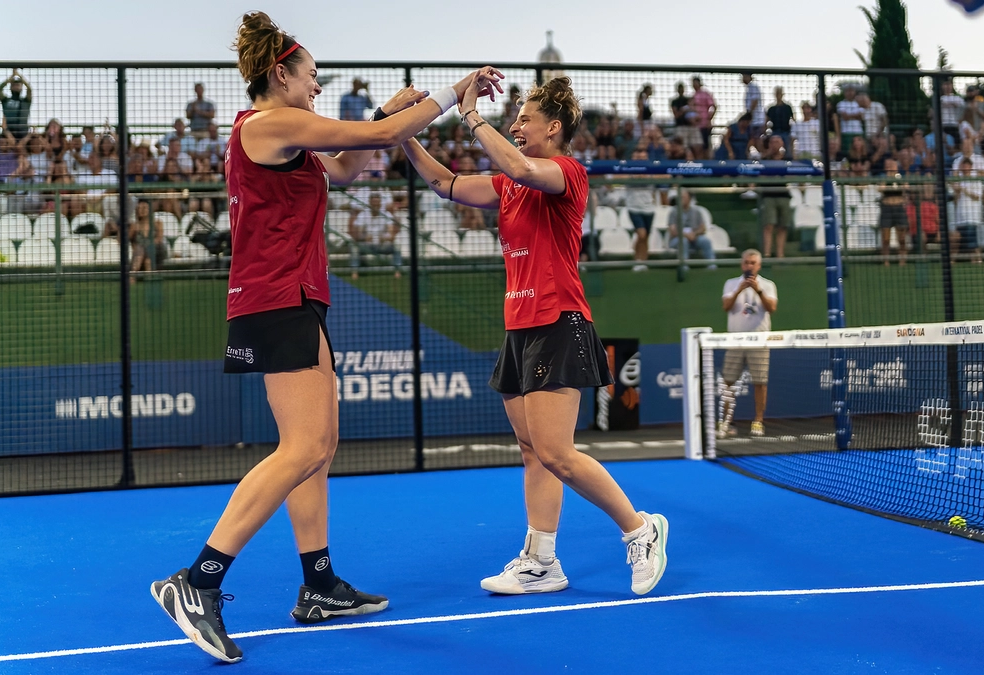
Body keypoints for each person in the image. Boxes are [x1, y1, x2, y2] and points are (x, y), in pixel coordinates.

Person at [149, 12, 501, 664]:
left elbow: (348, 164)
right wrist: (454, 93)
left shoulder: (292, 139)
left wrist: (399, 104)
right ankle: (195, 581)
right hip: (275, 300)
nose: (316, 88)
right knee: (304, 443)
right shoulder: (270, 123)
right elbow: (385, 134)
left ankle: (318, 585)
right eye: (311, 77)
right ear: (279, 73)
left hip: (297, 299)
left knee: (318, 445)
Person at [401, 75, 669, 598]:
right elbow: (444, 184)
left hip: (559, 320)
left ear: (555, 127)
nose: (516, 125)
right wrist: (399, 134)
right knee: (532, 451)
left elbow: (521, 165)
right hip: (520, 328)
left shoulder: (566, 172)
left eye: (525, 119)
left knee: (557, 452)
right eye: (514, 118)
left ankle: (641, 529)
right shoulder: (507, 187)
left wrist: (470, 112)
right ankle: (542, 561)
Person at [718, 249, 778, 438]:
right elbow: (726, 307)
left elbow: (772, 308)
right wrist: (739, 290)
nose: (749, 266)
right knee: (728, 381)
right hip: (735, 339)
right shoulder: (730, 284)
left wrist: (757, 290)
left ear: (759, 266)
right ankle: (726, 422)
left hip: (759, 340)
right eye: (746, 262)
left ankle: (758, 421)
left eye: (753, 263)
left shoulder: (768, 285)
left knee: (760, 382)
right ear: (741, 264)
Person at [759, 135, 793, 258]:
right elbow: (760, 176)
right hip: (768, 195)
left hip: (783, 195)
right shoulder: (764, 159)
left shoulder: (788, 159)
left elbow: (791, 176)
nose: (775, 144)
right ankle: (767, 254)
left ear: (782, 144)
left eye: (777, 142)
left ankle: (780, 255)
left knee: (783, 226)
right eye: (772, 142)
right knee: (768, 225)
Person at [668, 188, 715, 262]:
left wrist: (694, 234)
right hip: (677, 239)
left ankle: (712, 264)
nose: (681, 199)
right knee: (683, 241)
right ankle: (684, 265)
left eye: (683, 197)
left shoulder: (696, 211)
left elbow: (703, 228)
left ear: (689, 199)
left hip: (694, 238)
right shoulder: (674, 212)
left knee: (705, 241)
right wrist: (686, 235)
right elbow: (673, 231)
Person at [878, 158, 909, 265]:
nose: (891, 168)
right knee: (885, 238)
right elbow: (881, 189)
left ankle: (902, 259)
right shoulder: (884, 178)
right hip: (887, 208)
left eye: (893, 166)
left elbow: (906, 187)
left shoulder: (900, 178)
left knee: (902, 237)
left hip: (899, 208)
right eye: (889, 166)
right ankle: (886, 260)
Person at [0, 69, 32, 139]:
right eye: (14, 85)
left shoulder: (26, 101)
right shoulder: (6, 100)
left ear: (21, 87)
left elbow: (29, 89)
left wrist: (19, 75)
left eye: (18, 85)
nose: (16, 87)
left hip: (23, 132)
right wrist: (11, 77)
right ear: (10, 87)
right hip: (8, 132)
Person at [690, 76, 716, 158]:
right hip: (695, 126)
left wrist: (709, 119)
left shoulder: (705, 94)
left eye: (695, 83)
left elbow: (714, 106)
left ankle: (707, 163)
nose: (694, 85)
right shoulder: (693, 96)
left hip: (704, 124)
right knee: (697, 146)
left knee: (706, 145)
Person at [766, 86, 793, 153]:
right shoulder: (771, 109)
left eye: (779, 93)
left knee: (787, 150)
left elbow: (793, 119)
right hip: (775, 132)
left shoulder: (787, 107)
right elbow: (766, 121)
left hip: (786, 132)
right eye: (777, 93)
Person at [741, 72, 765, 139]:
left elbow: (755, 101)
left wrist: (749, 115)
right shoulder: (749, 88)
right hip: (753, 120)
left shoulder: (753, 87)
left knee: (756, 139)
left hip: (756, 120)